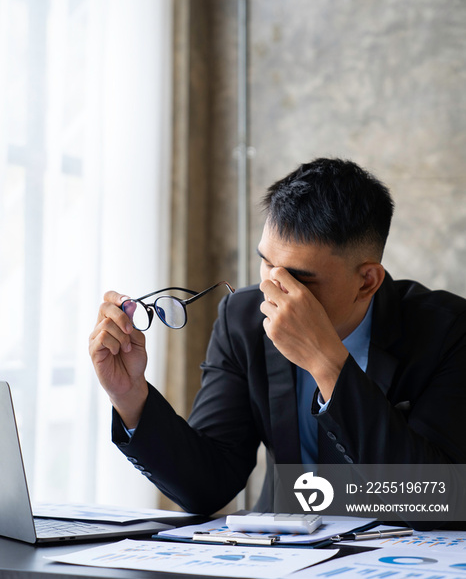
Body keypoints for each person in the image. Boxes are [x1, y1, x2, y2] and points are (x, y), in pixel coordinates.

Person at [89, 158, 466, 515]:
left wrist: (326, 363)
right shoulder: (243, 317)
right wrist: (129, 395)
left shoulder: (448, 330)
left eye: (298, 279)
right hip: (280, 553)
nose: (271, 290)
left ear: (366, 280)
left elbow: (435, 497)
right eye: (266, 263)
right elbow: (209, 484)